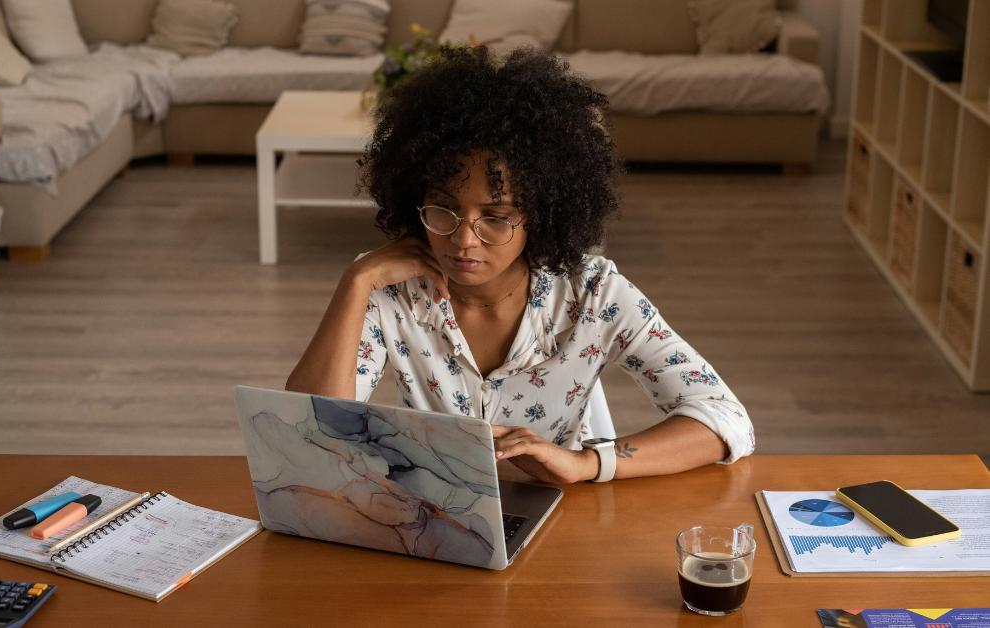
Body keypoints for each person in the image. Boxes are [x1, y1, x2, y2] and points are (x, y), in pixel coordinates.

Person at [286, 45, 754, 484]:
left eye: (496, 217)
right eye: (442, 210)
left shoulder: (593, 295)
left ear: (540, 213)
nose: (463, 240)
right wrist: (357, 279)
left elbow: (726, 418)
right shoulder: (389, 289)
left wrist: (587, 463)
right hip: (432, 520)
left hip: (563, 524)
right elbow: (312, 432)